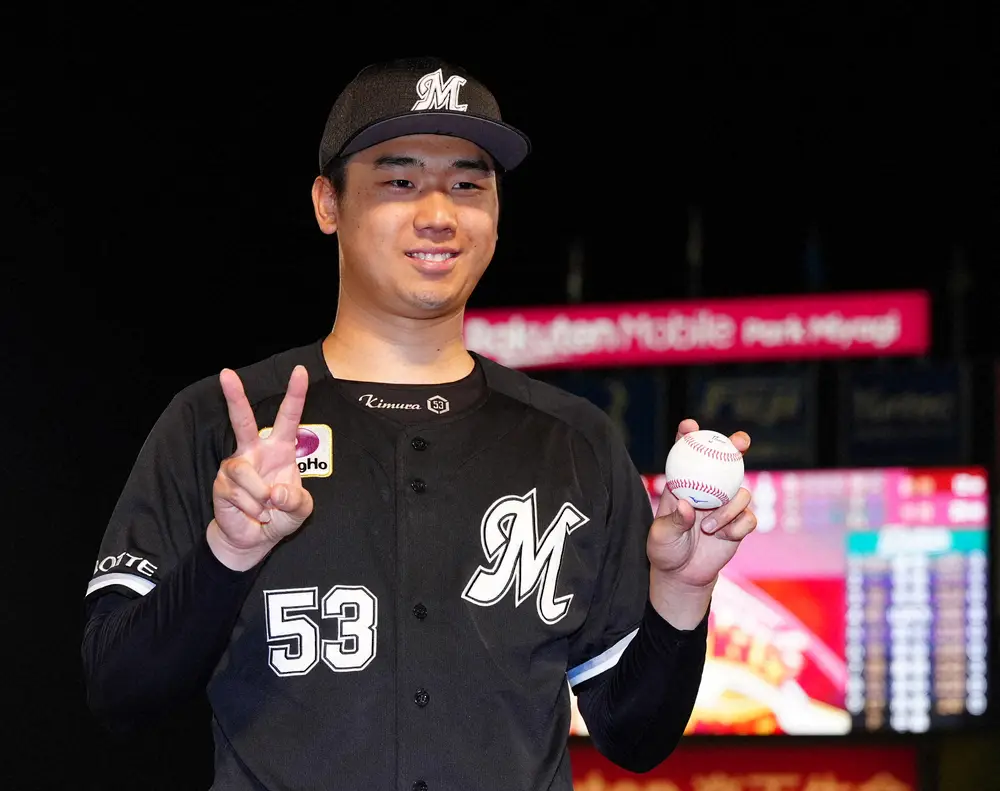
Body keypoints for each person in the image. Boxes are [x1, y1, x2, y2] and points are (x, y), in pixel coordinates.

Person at [82, 56, 756, 791]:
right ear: (327, 203)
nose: (439, 214)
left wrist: (682, 593)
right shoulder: (221, 424)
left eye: (468, 185)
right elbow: (120, 693)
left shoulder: (575, 441)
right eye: (399, 182)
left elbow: (634, 737)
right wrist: (227, 552)